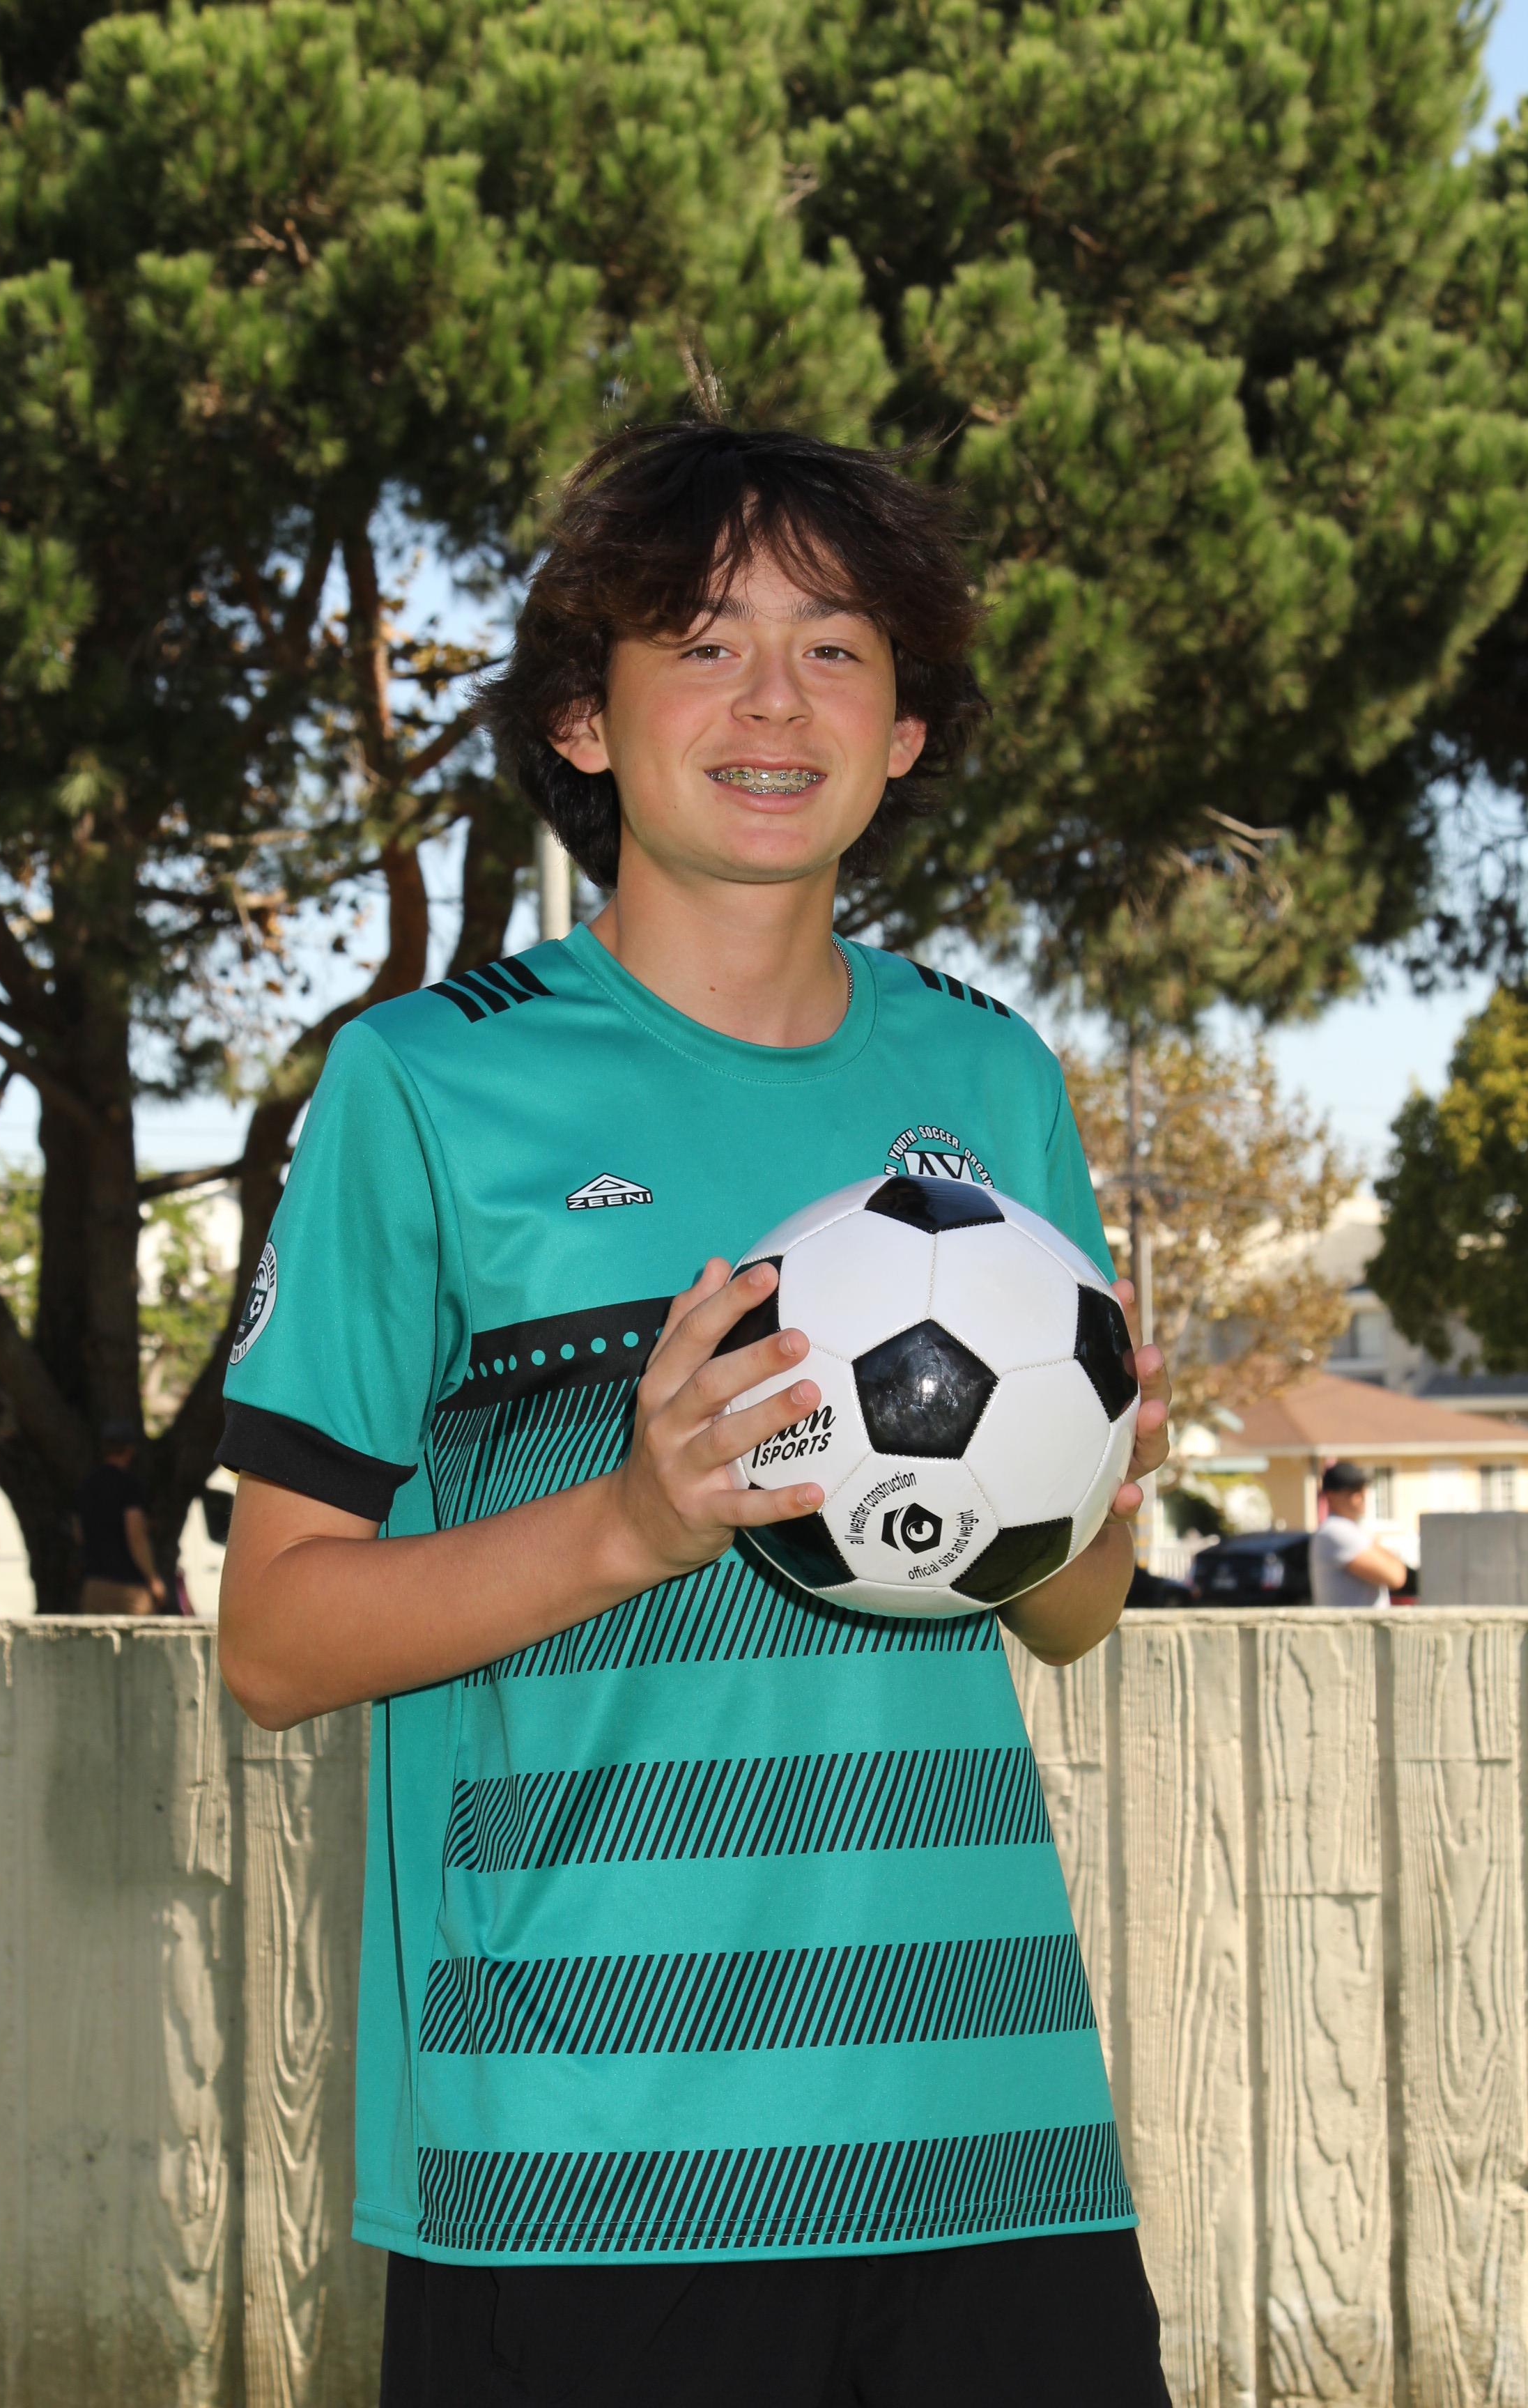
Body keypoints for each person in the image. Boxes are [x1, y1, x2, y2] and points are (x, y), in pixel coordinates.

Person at [217, 424, 1176, 2408]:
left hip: (987, 2126)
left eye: (835, 650)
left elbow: (1075, 1614)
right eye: (705, 642)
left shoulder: (992, 1079)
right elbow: (277, 1639)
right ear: (585, 716)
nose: (774, 700)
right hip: (594, 2148)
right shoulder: (425, 1086)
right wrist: (631, 1524)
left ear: (905, 732)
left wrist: (1087, 1481)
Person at [74, 1422, 165, 1615]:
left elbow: (78, 1533)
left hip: (93, 1583)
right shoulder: (130, 1486)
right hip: (129, 1587)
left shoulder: (87, 1485)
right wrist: (153, 1579)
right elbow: (136, 1534)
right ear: (130, 1450)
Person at [1308, 1460, 1407, 1607]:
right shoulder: (1335, 1530)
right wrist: (1376, 1545)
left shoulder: (1351, 1529)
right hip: (1351, 1622)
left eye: (1363, 1490)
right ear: (1331, 1496)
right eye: (1353, 1492)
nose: (1363, 1496)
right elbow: (1395, 1577)